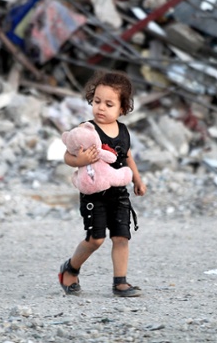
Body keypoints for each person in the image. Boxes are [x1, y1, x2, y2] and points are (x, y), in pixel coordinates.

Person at [58, 70, 147, 297]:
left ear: (122, 108)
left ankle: (120, 283)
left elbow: (127, 157)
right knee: (95, 239)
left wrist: (137, 179)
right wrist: (80, 160)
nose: (101, 108)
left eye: (109, 104)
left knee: (121, 237)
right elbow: (67, 157)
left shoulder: (124, 131)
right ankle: (70, 268)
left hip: (119, 192)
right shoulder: (86, 130)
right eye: (97, 101)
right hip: (94, 193)